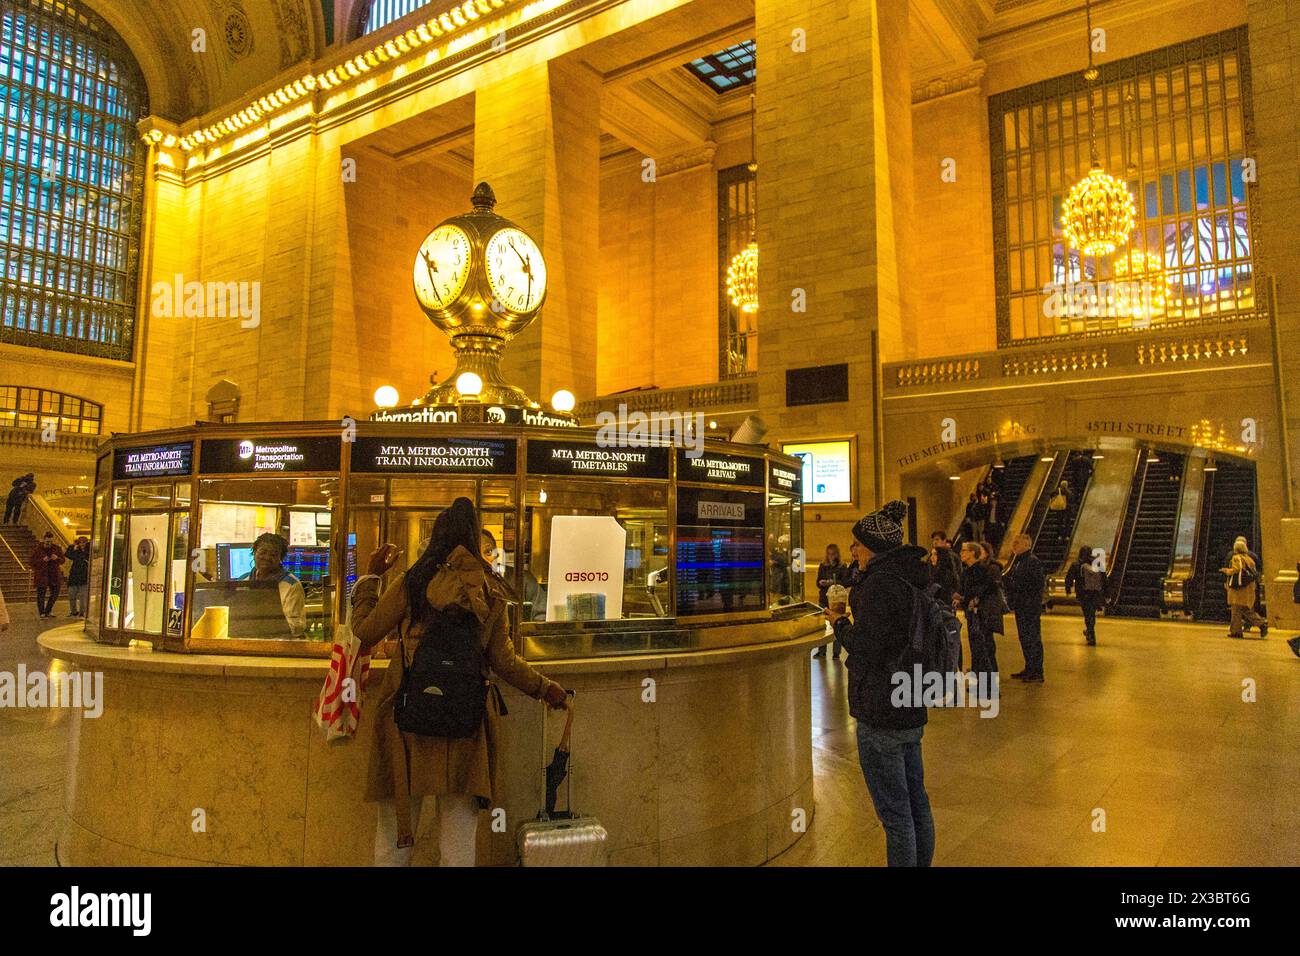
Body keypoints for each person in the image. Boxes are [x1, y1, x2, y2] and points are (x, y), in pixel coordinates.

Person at [350, 497, 568, 866]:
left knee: (395, 835)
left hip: (408, 719)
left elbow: (366, 631)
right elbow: (504, 661)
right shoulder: (489, 590)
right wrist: (544, 687)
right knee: (458, 840)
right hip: (465, 721)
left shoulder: (413, 582)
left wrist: (370, 580)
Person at [827, 500, 935, 867]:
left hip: (881, 707)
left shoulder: (878, 586)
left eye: (856, 544)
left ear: (870, 545)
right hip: (911, 699)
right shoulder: (911, 577)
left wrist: (839, 624)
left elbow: (865, 648)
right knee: (917, 801)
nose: (853, 550)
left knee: (895, 814)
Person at [239, 533, 307, 637]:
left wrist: (264, 626)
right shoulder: (243, 581)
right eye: (263, 552)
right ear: (254, 553)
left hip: (278, 644)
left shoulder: (292, 585)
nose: (267, 557)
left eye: (273, 555)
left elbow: (297, 627)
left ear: (281, 558)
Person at [1002, 532, 1046, 682]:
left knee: (1032, 637)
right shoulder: (1019, 561)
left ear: (1027, 545)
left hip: (1029, 607)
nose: (1014, 546)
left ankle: (1036, 671)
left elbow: (1036, 584)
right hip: (1022, 606)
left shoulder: (1032, 561)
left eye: (1017, 543)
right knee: (1024, 637)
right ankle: (1029, 667)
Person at [956, 541, 1003, 680]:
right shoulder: (969, 570)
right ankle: (983, 683)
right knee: (979, 651)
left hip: (982, 616)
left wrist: (972, 598)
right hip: (974, 615)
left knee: (985, 651)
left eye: (964, 550)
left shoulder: (981, 570)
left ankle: (989, 686)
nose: (961, 553)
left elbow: (987, 589)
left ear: (972, 553)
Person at [1221, 539, 1268, 639]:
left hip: (1238, 588)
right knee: (1245, 609)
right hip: (1248, 587)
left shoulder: (1236, 558)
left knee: (1236, 609)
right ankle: (1261, 624)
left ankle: (1236, 632)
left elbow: (1236, 569)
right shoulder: (1249, 558)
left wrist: (1226, 571)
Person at [1064, 546, 1106, 646]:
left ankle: (1091, 634)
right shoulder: (1098, 564)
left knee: (1087, 614)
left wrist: (1068, 589)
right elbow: (1104, 580)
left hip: (1083, 594)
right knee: (1091, 614)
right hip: (1095, 593)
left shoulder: (1076, 565)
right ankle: (1090, 631)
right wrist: (1106, 594)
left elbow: (1069, 578)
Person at [815, 543, 849, 659]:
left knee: (837, 625)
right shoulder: (823, 566)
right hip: (824, 599)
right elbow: (817, 582)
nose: (831, 556)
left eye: (833, 554)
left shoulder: (842, 567)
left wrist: (833, 582)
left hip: (837, 601)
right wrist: (822, 582)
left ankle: (836, 652)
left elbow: (844, 582)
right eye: (829, 554)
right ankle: (822, 651)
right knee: (822, 626)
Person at [30, 531, 65, 619]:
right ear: (43, 540)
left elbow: (62, 560)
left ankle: (48, 611)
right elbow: (31, 562)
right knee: (41, 594)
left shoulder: (57, 548)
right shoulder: (37, 549)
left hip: (54, 575)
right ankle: (42, 612)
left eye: (50, 542)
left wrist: (57, 558)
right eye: (47, 542)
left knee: (55, 593)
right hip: (42, 575)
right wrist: (42, 560)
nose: (48, 544)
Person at [927, 531, 961, 608]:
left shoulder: (952, 556)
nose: (934, 542)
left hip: (946, 595)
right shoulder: (930, 558)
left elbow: (957, 573)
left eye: (937, 539)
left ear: (944, 540)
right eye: (933, 540)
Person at [64, 536, 90, 617]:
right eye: (80, 542)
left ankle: (82, 612)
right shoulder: (75, 550)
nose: (82, 544)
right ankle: (73, 611)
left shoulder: (89, 551)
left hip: (84, 577)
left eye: (84, 542)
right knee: (72, 595)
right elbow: (68, 555)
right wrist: (74, 548)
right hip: (74, 576)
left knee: (83, 597)